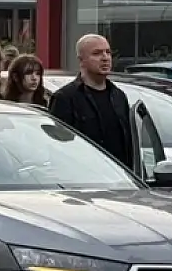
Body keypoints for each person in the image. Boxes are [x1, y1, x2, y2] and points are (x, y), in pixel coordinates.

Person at [48, 33, 136, 170]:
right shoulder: (65, 98)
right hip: (83, 177)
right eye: (97, 53)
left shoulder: (119, 96)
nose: (105, 58)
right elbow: (58, 147)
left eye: (108, 52)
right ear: (81, 60)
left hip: (121, 179)